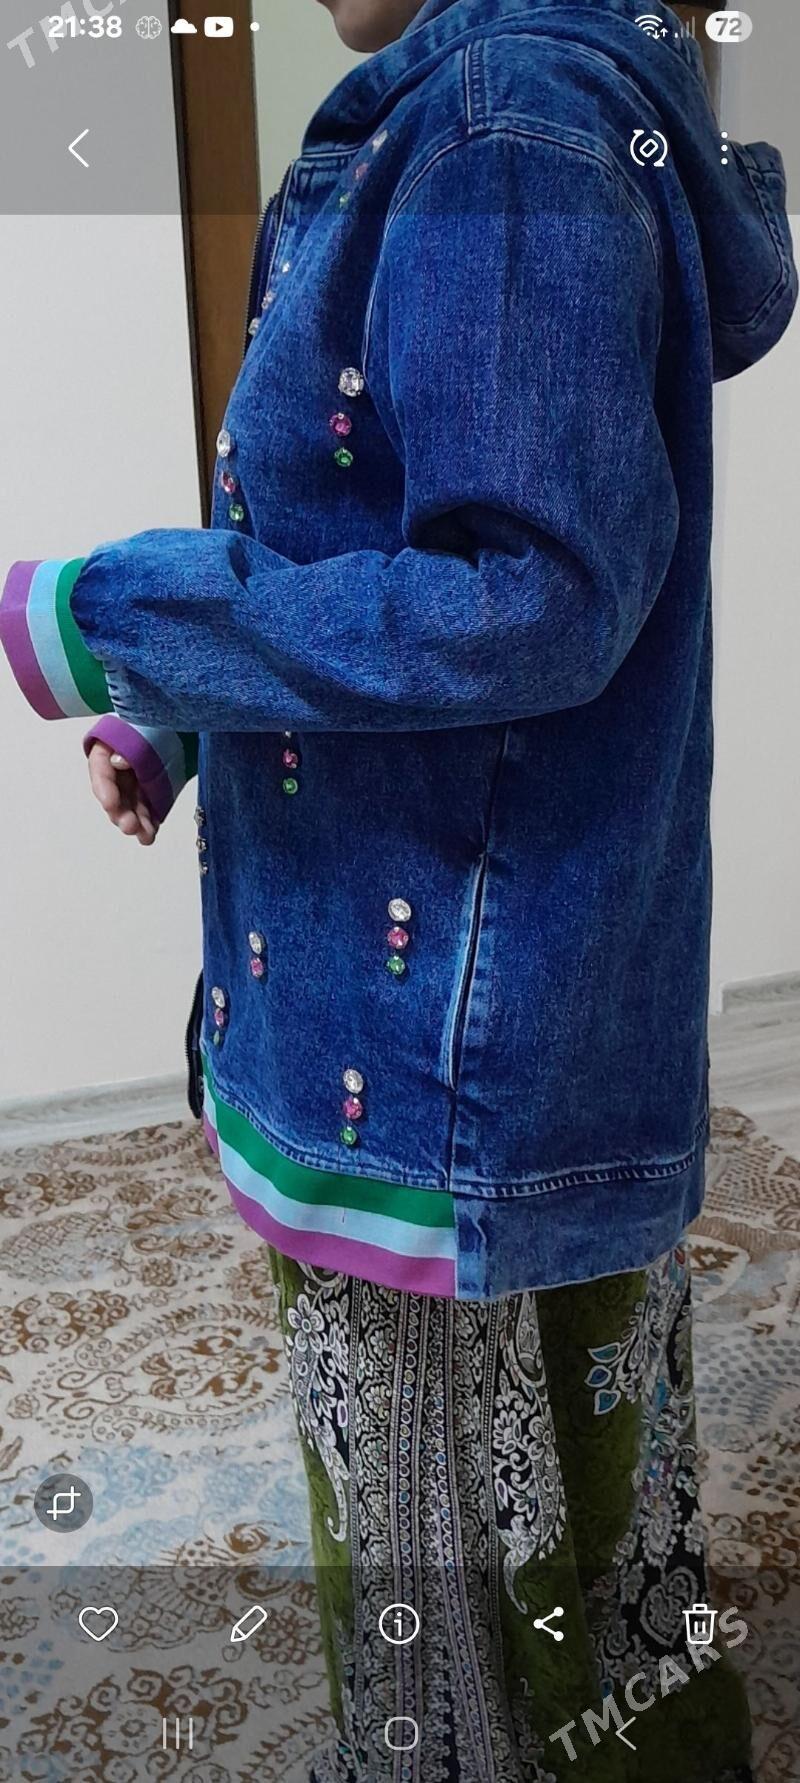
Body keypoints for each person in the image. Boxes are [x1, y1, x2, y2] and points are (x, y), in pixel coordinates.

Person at [1, 0, 795, 1776]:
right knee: (545, 1538)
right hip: (451, 1017)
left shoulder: (509, 125)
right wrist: (182, 717)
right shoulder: (495, 115)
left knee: (498, 1582)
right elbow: (359, 550)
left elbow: (530, 601)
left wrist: (122, 613)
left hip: (442, 1058)